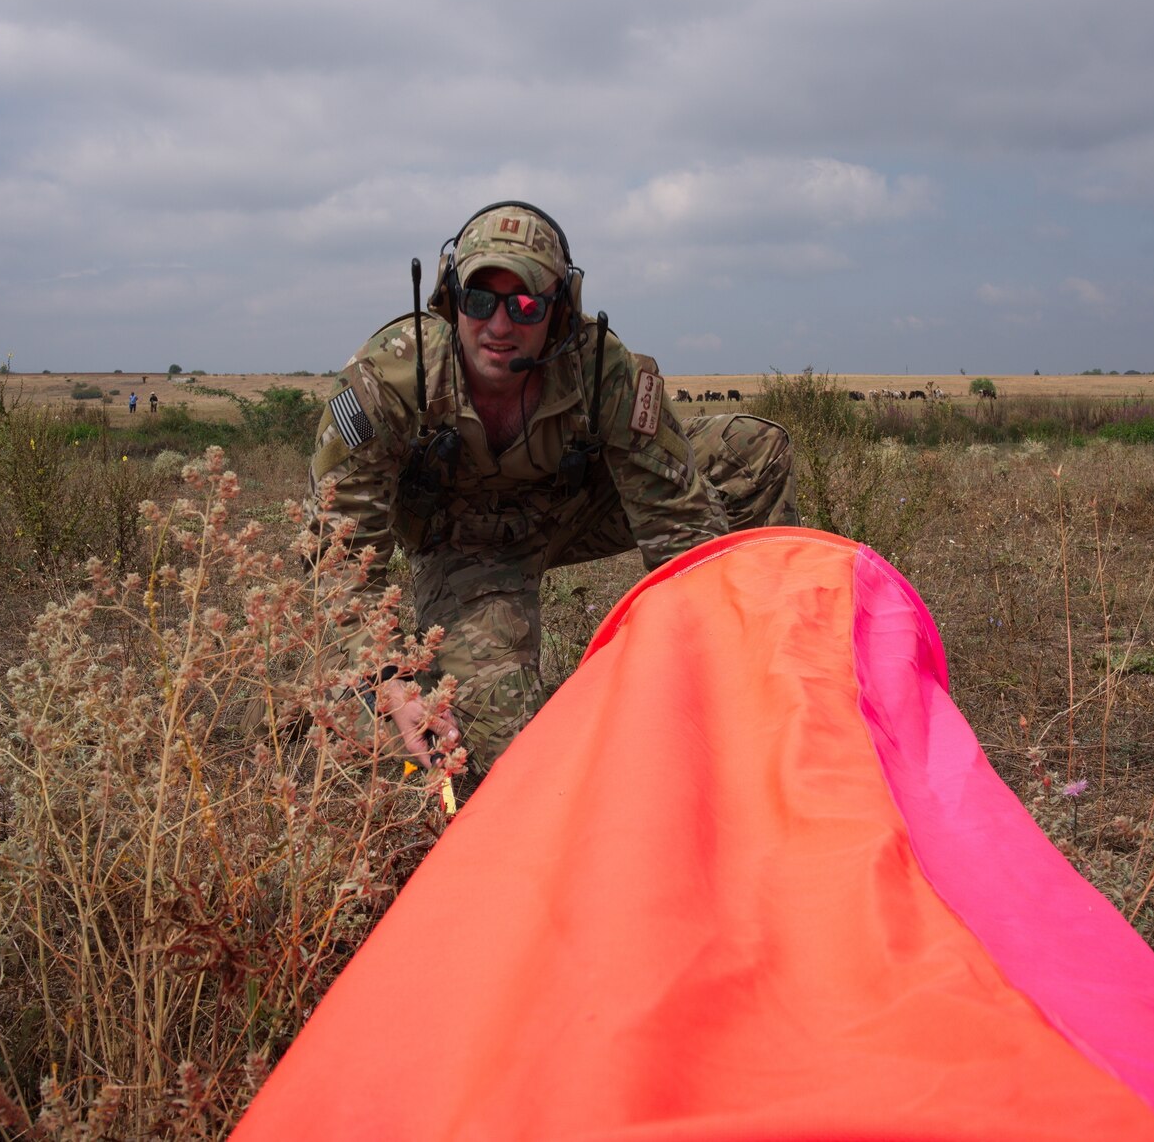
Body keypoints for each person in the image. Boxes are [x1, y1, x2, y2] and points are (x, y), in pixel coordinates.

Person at [310, 201, 798, 781]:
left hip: (575, 511)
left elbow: (679, 528)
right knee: (506, 749)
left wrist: (708, 664)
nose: (498, 325)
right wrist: (384, 676)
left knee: (751, 449)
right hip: (468, 548)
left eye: (524, 304)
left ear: (560, 311)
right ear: (449, 299)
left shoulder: (602, 368)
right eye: (480, 300)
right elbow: (336, 558)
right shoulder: (386, 381)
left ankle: (763, 677)